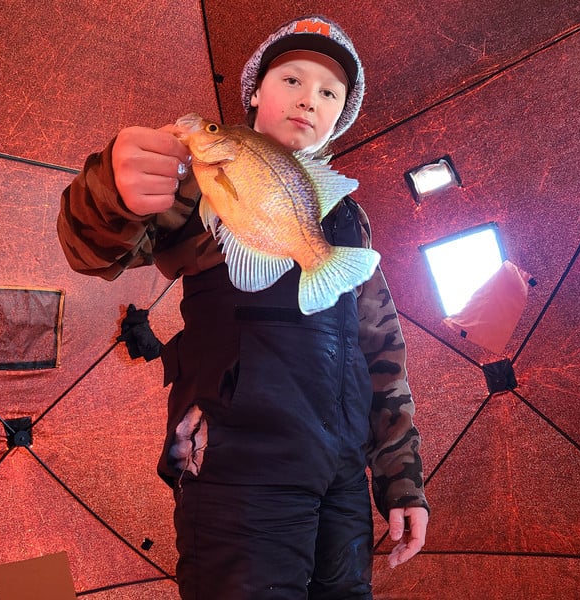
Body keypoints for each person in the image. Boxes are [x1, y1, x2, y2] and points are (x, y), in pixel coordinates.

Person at [58, 14, 429, 600]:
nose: (309, 99)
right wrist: (110, 189)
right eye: (291, 79)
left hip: (342, 478)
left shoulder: (351, 220)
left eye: (329, 92)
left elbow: (383, 353)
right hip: (238, 462)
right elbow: (91, 251)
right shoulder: (197, 173)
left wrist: (400, 481)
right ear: (255, 90)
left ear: (339, 116)